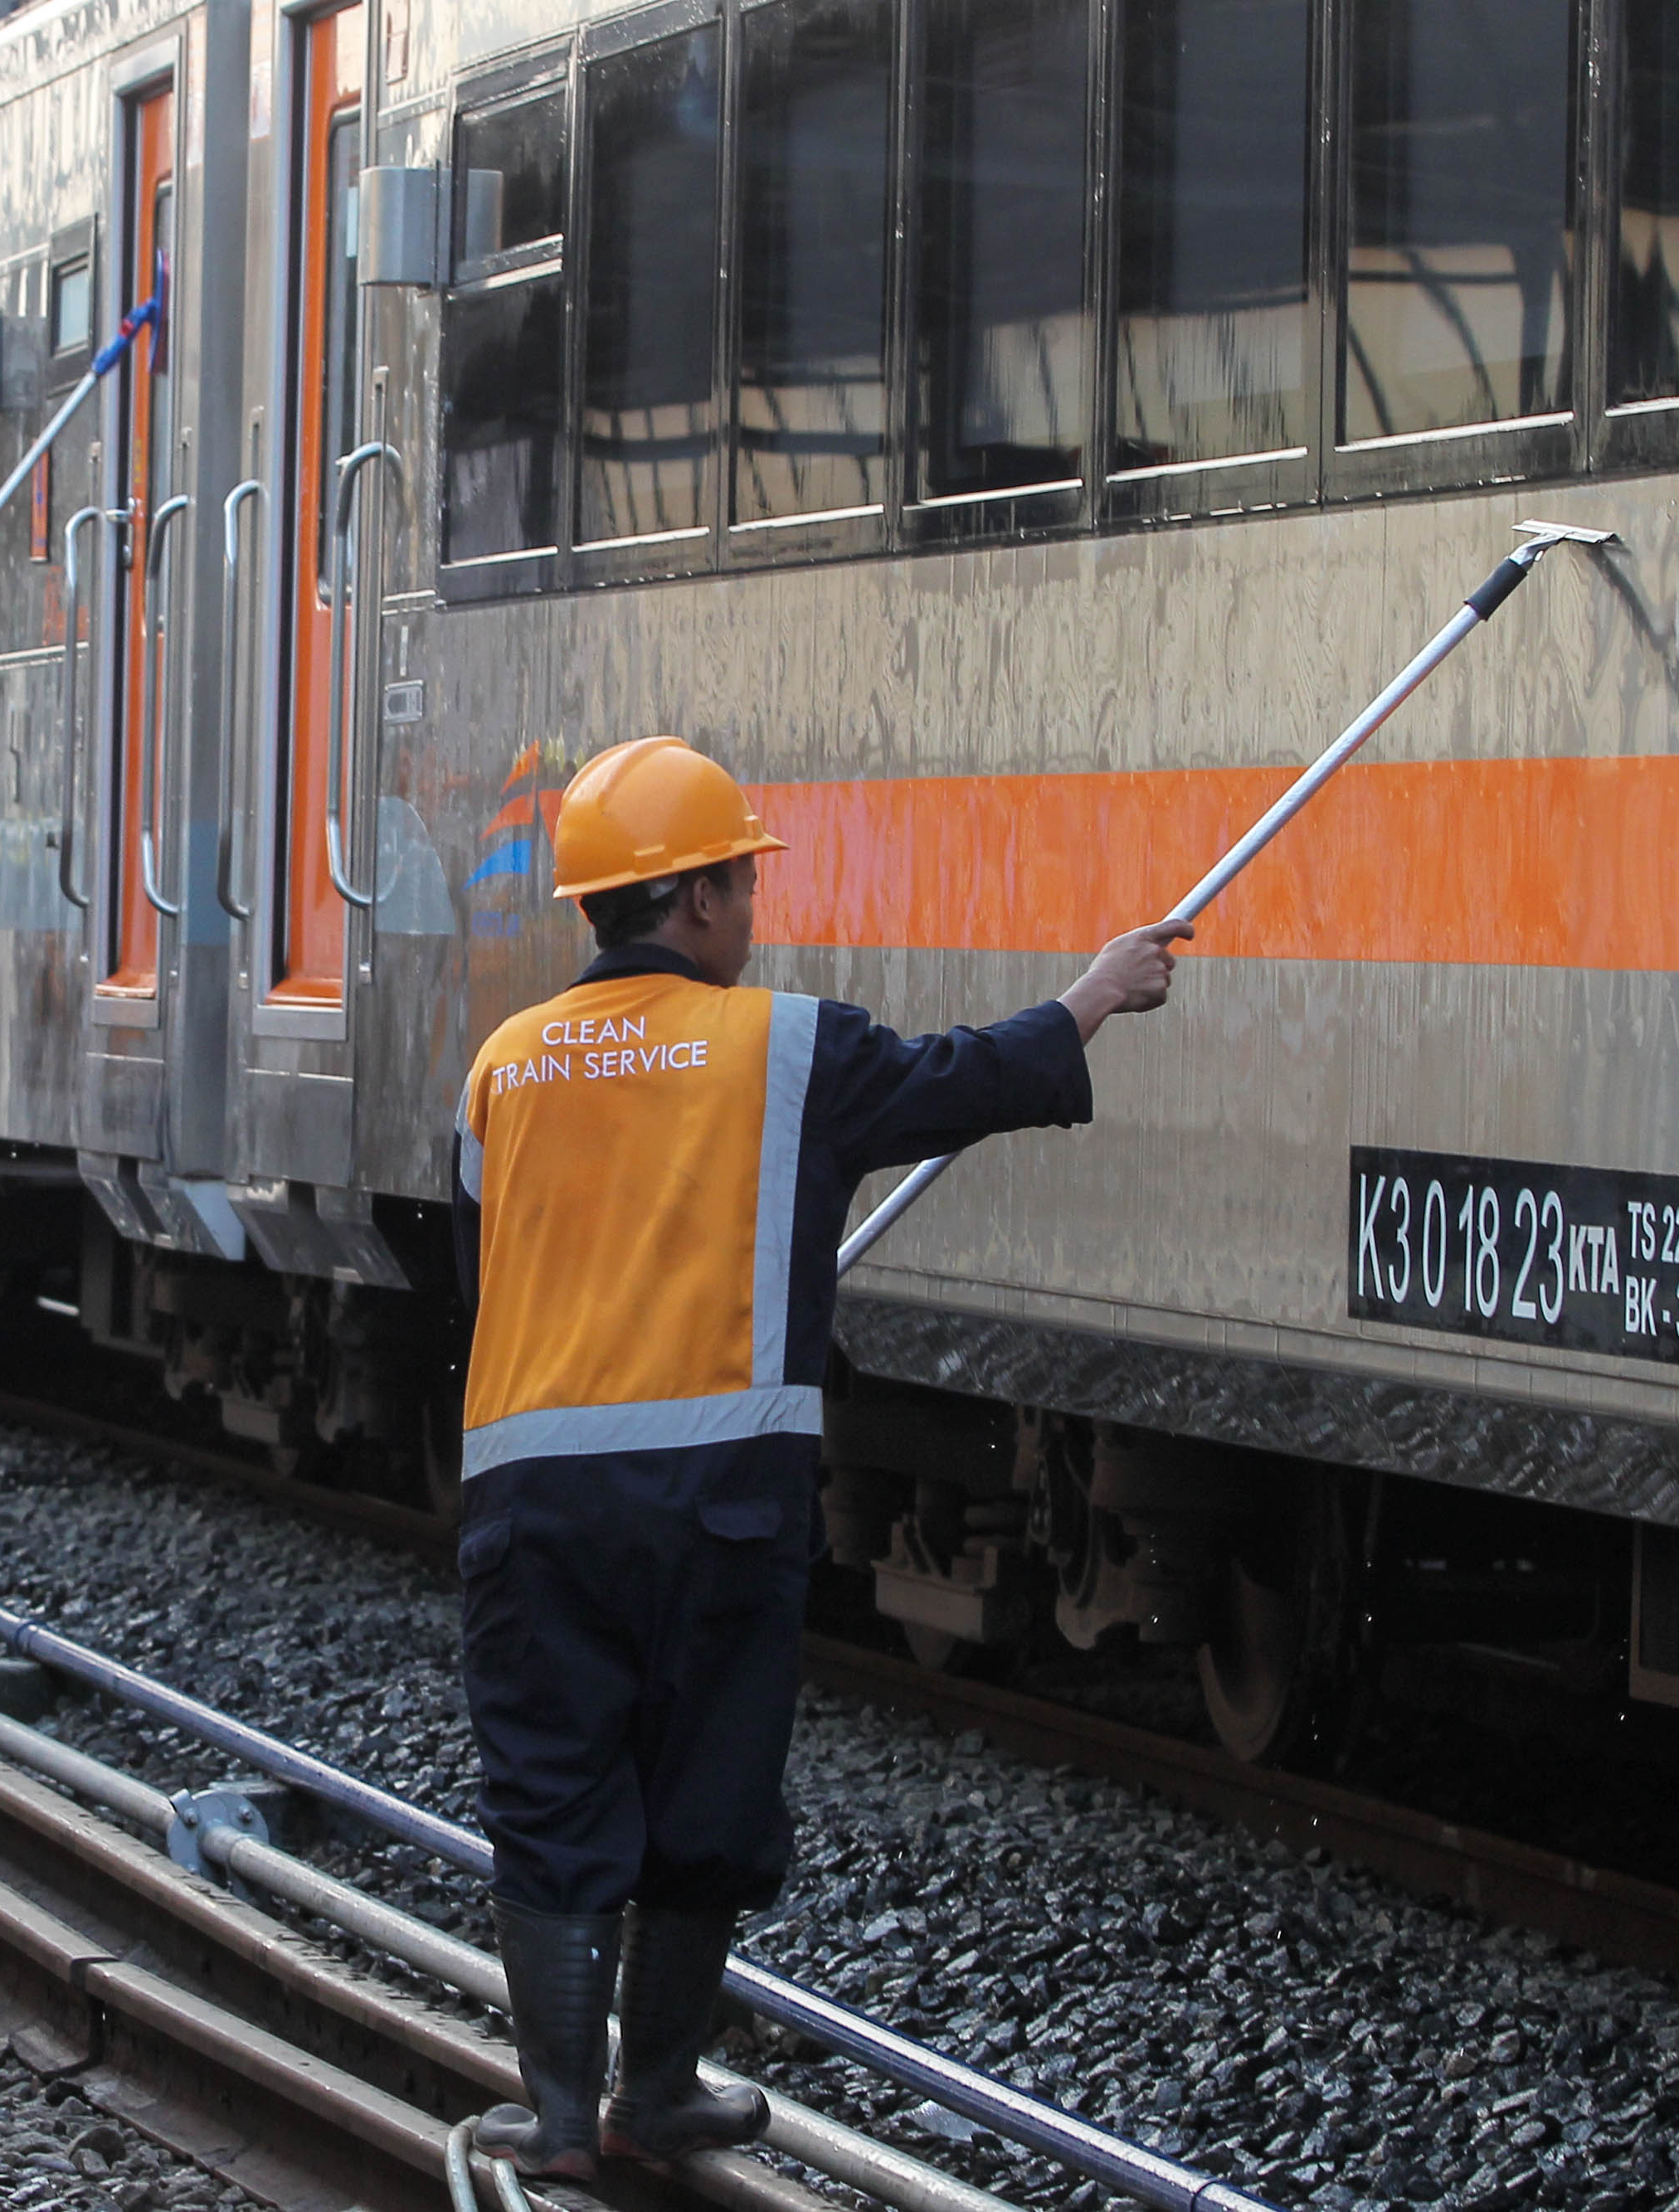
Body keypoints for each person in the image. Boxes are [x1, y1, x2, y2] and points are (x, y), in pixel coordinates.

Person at [450, 737, 1189, 2183]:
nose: (752, 909)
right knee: (704, 1789)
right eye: (744, 880)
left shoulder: (503, 1066)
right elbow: (964, 1081)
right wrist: (1096, 993)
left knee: (552, 1782)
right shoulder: (791, 1048)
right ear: (706, 900)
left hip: (532, 1500)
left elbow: (504, 1238)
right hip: (722, 1495)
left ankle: (550, 2113)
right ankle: (652, 2089)